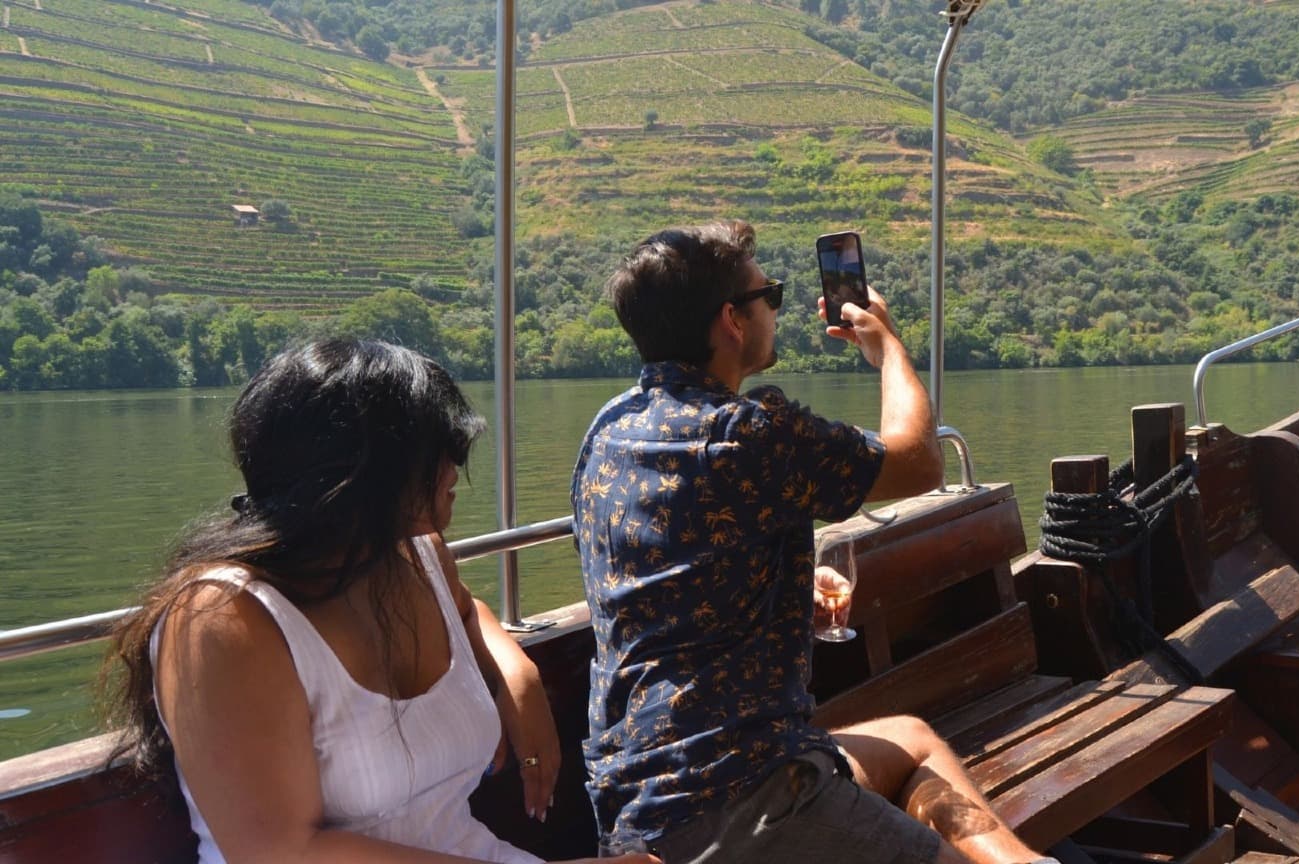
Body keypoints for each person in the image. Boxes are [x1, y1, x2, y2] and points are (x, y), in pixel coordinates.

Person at [571, 221, 1059, 864]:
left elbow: (673, 563)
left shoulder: (608, 433)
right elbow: (918, 461)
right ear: (732, 321)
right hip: (741, 798)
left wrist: (788, 583)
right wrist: (887, 349)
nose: (776, 308)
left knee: (911, 738)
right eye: (768, 294)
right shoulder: (747, 433)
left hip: (638, 800)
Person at [105, 340, 654, 864]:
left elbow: (466, 612)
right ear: (366, 471)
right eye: (437, 451)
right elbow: (277, 853)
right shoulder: (219, 618)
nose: (454, 469)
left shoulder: (416, 556)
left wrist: (519, 675)